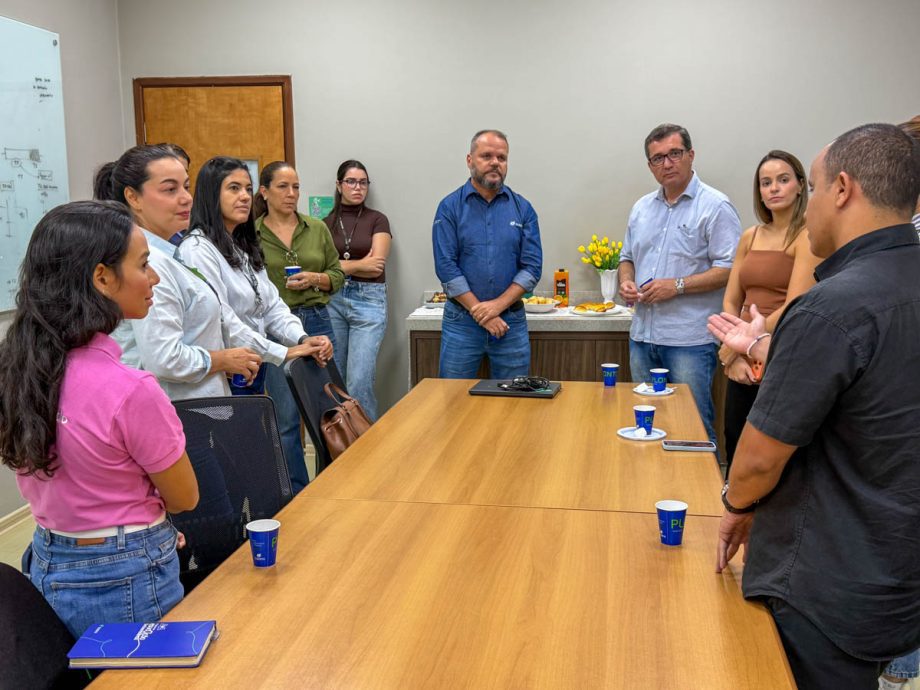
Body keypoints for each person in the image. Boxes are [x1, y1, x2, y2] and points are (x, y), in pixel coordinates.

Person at [708, 123, 920, 690]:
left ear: (844, 189)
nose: (810, 202)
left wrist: (736, 503)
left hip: (825, 583)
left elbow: (758, 457)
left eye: (816, 187)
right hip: (897, 570)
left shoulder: (832, 307)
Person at [0, 200, 199, 638]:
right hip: (127, 574)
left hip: (49, 558)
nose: (155, 278)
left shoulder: (17, 373)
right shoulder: (131, 390)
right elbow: (184, 496)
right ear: (102, 277)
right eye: (144, 265)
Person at [182, 157, 333, 492]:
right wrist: (284, 351)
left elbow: (270, 304)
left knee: (251, 459)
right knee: (234, 465)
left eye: (248, 189)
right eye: (233, 188)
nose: (245, 197)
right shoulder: (198, 250)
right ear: (210, 194)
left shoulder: (241, 245)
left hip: (251, 368)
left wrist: (304, 337)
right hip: (221, 372)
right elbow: (226, 321)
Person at [94, 144, 263, 400]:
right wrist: (222, 360)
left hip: (199, 401)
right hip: (179, 410)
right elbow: (163, 358)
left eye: (185, 186)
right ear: (133, 197)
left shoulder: (172, 252)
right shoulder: (149, 261)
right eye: (170, 189)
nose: (186, 198)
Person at [618, 123, 742, 447]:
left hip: (690, 341)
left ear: (690, 155)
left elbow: (731, 269)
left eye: (674, 154)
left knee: (693, 429)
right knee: (646, 427)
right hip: (642, 338)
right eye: (658, 158)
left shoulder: (715, 206)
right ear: (650, 166)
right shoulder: (641, 208)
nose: (667, 163)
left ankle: (703, 499)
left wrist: (678, 286)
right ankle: (651, 495)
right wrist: (626, 281)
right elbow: (626, 257)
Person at [719, 151, 820, 472]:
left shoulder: (808, 236)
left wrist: (743, 344)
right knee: (735, 439)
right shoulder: (750, 236)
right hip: (740, 356)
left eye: (783, 179)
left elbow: (794, 302)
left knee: (769, 457)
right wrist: (735, 350)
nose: (774, 188)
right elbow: (731, 299)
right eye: (766, 182)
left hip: (779, 354)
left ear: (801, 186)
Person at [254, 161, 345, 487]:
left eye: (295, 187)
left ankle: (333, 484)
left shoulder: (316, 228)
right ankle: (296, 491)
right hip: (278, 331)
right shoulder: (251, 234)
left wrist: (317, 278)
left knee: (330, 410)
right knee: (287, 419)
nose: (291, 194)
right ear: (264, 191)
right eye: (283, 187)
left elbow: (337, 276)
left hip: (318, 322)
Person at [432, 129, 542, 378]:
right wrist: (481, 313)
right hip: (461, 324)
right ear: (470, 160)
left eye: (501, 158)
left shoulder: (523, 209)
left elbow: (532, 268)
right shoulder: (449, 207)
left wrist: (495, 307)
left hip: (510, 323)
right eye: (486, 156)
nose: (495, 163)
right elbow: (446, 267)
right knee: (454, 403)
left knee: (514, 404)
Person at [322, 160, 391, 421]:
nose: (357, 187)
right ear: (339, 185)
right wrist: (360, 263)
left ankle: (367, 450)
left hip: (369, 303)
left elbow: (376, 267)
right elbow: (322, 269)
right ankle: (342, 448)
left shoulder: (377, 219)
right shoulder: (325, 224)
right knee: (335, 382)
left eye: (363, 182)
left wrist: (340, 267)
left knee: (359, 382)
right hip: (333, 301)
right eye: (351, 181)